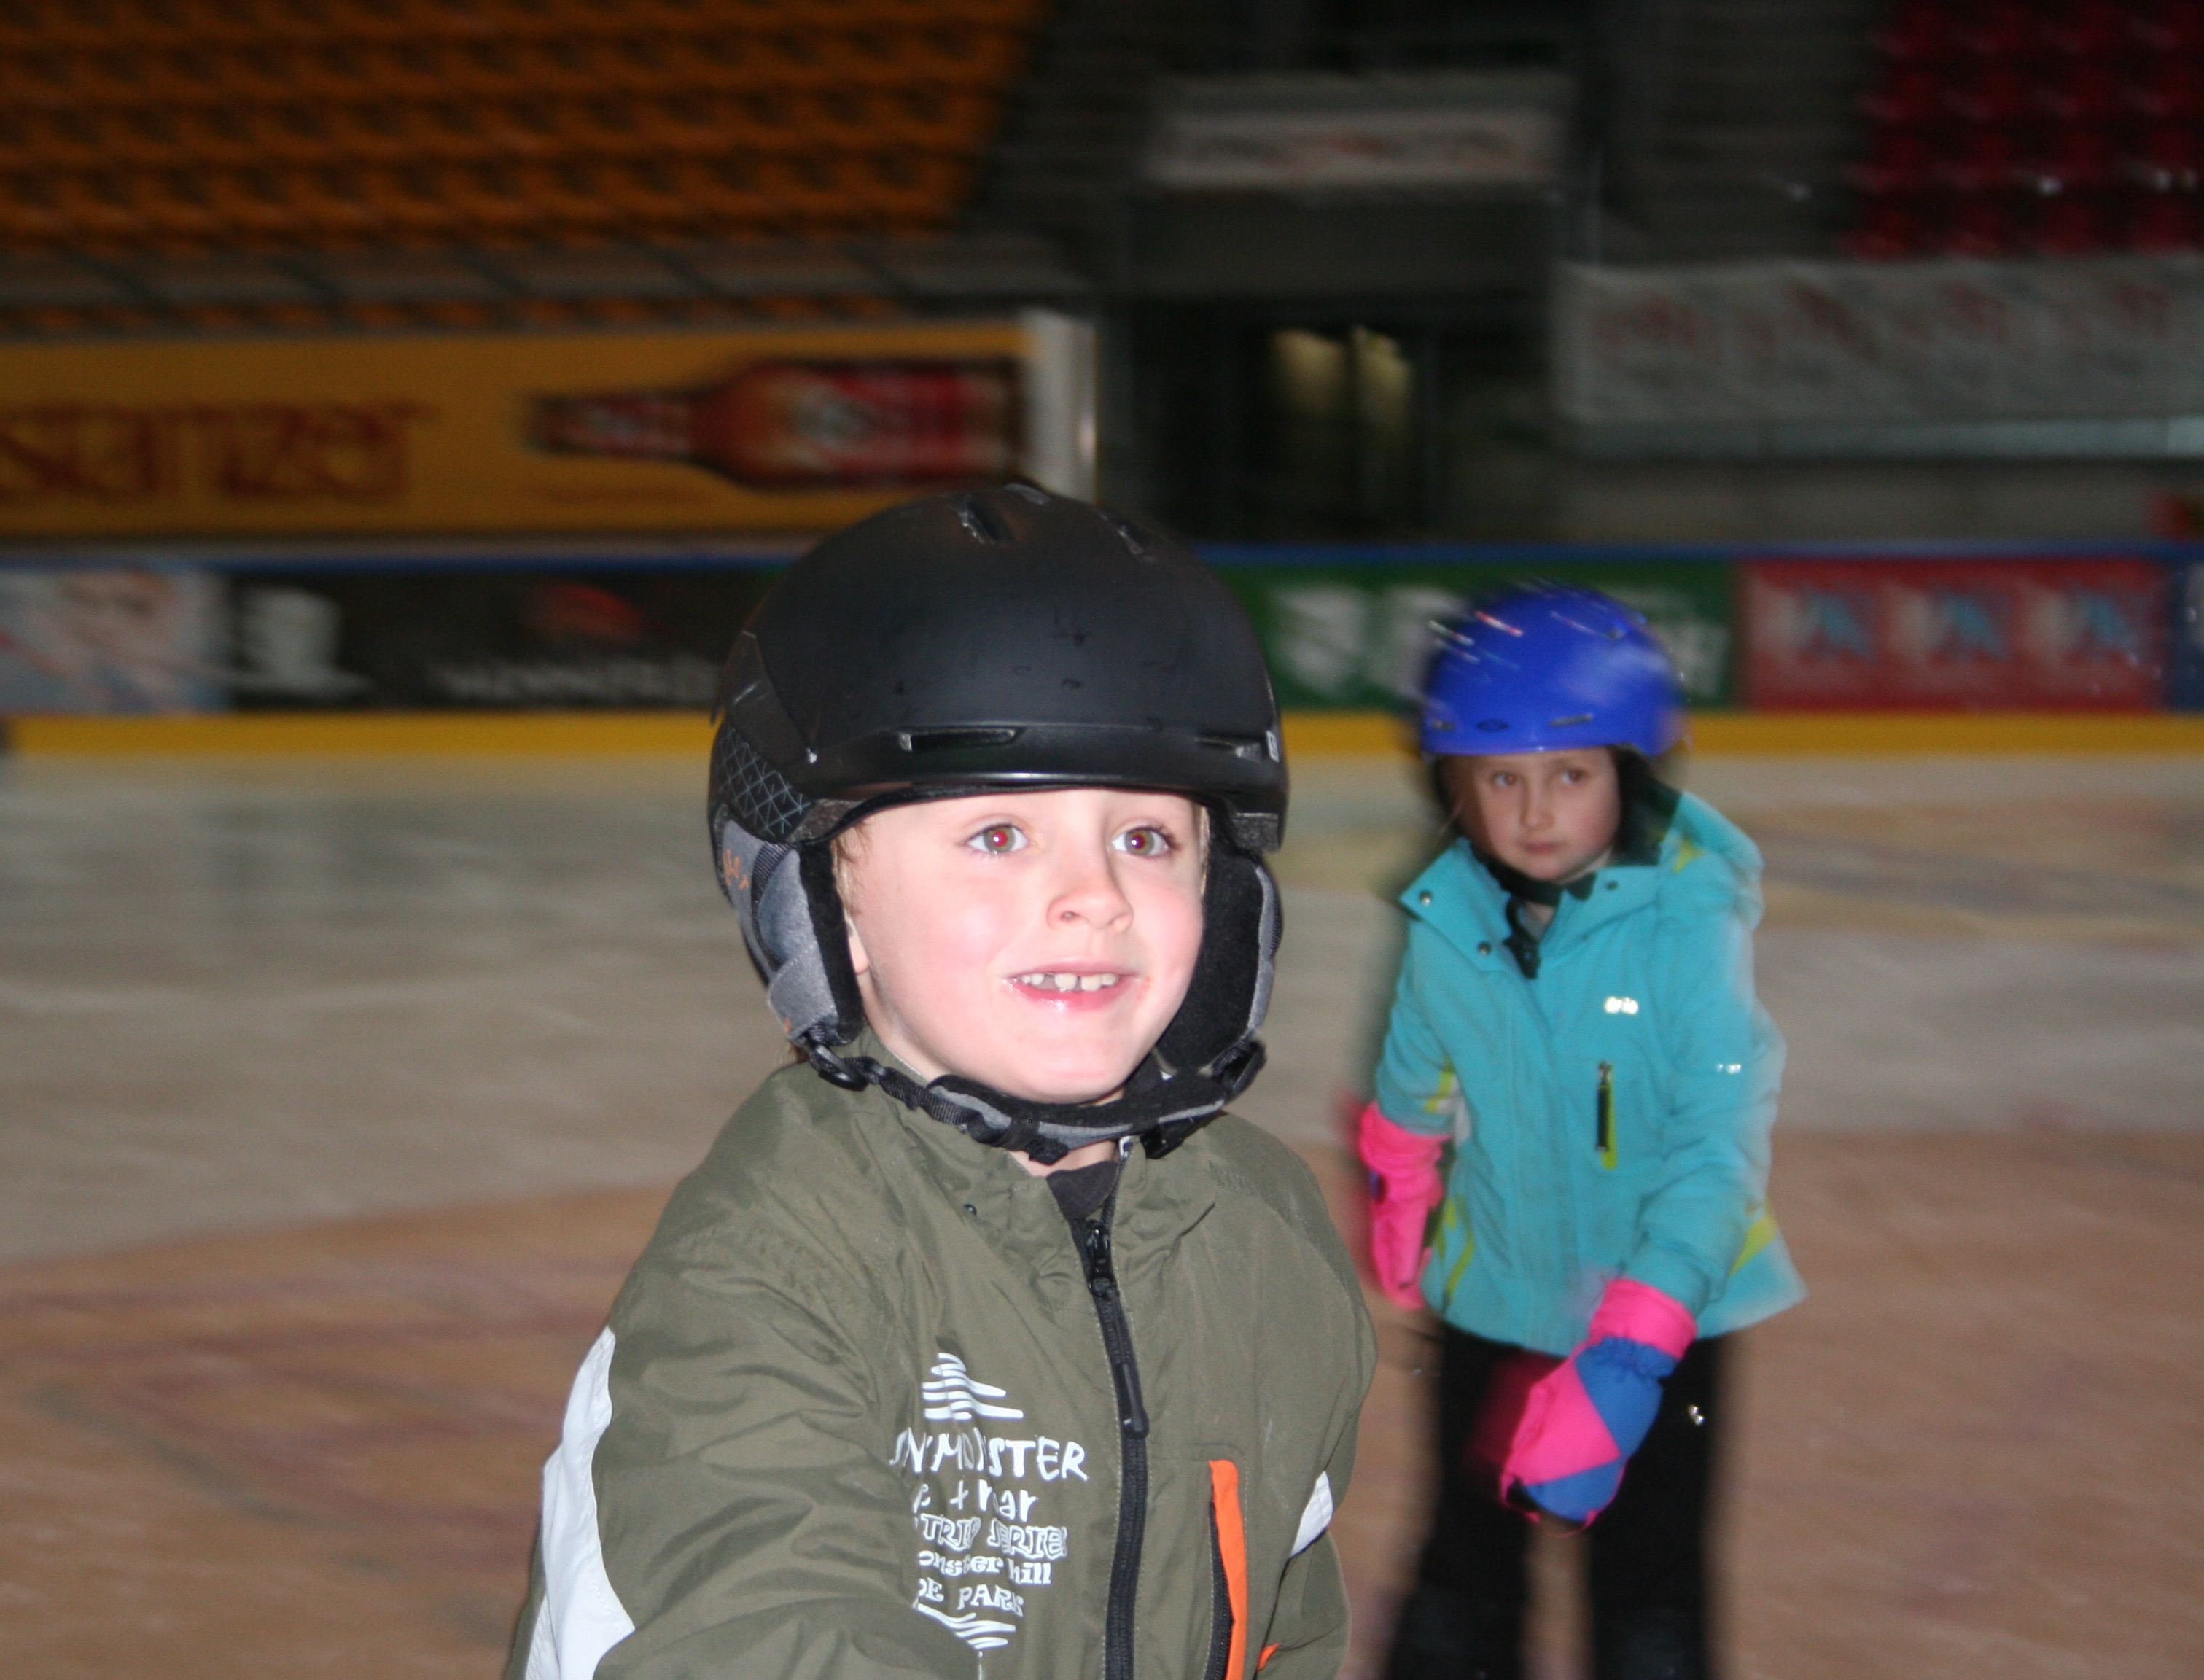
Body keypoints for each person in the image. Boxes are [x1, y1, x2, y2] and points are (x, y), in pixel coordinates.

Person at [510, 486, 1374, 1680]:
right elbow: (750, 1619)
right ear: (831, 901)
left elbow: (1288, 1622)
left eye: (1146, 839)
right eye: (999, 837)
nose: (1095, 898)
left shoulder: (1266, 1237)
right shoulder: (771, 1256)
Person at [1347, 587, 1803, 1680]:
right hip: (1497, 1301)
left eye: (1571, 775)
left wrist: (1633, 1353)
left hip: (1669, 1313)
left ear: (1630, 776)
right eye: (1502, 778)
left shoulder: (1688, 935)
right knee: (1463, 1576)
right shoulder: (1450, 921)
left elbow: (1715, 1157)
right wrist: (1399, 1172)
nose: (1535, 812)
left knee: (1648, 1597)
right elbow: (1414, 1061)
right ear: (1453, 787)